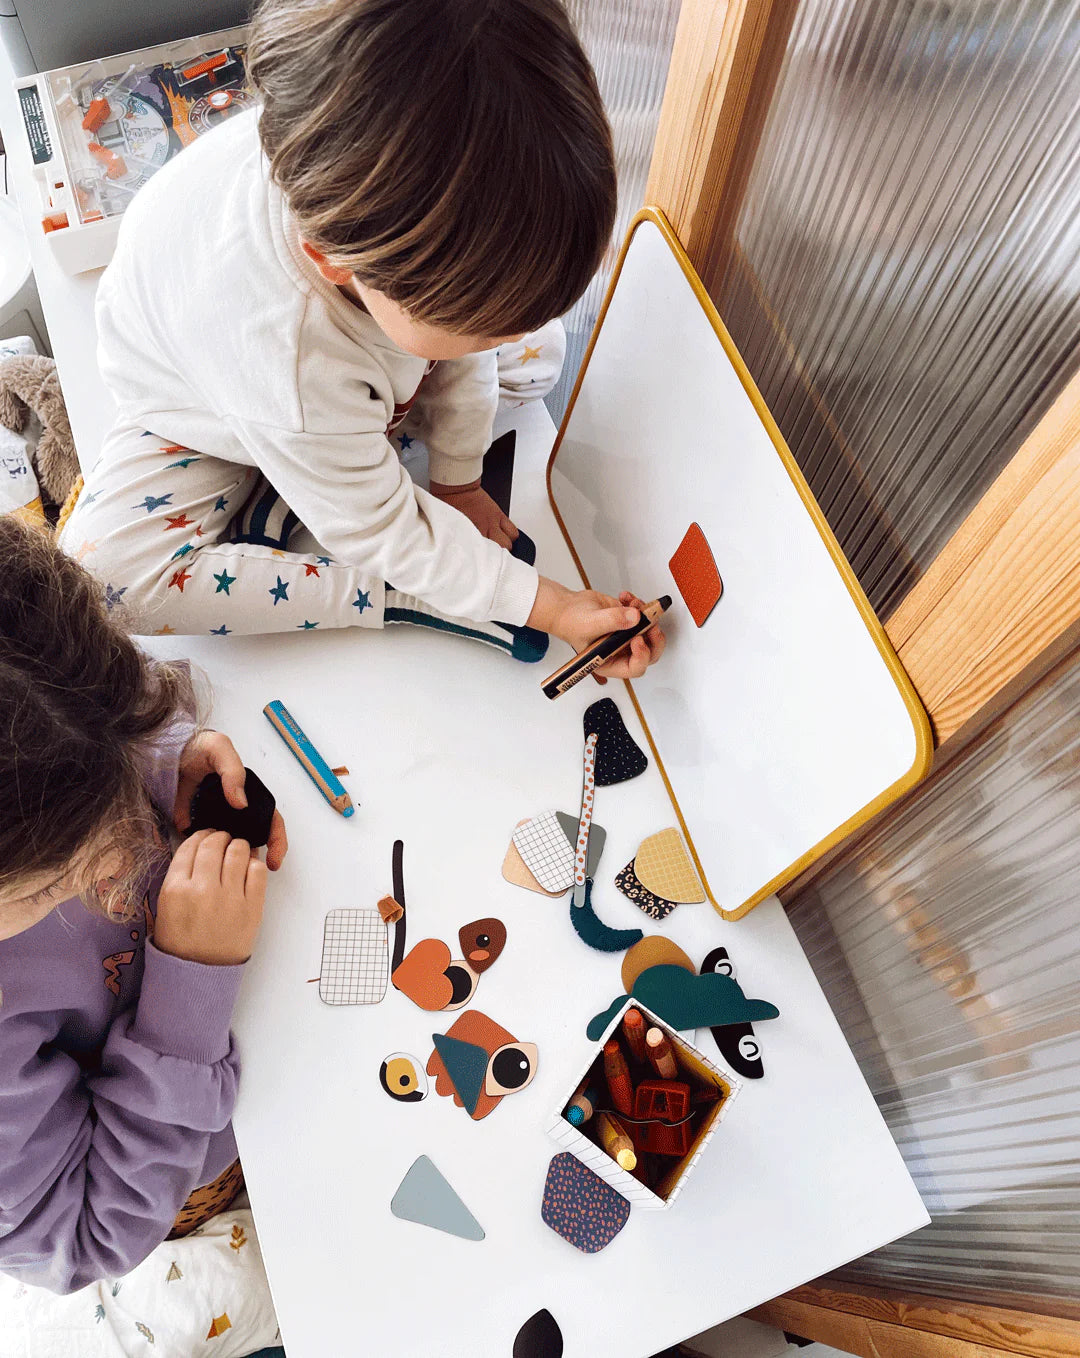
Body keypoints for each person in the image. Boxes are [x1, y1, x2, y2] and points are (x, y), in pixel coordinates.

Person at [59, 0, 665, 680]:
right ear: (331, 259)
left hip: (321, 390)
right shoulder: (288, 355)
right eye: (478, 327)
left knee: (536, 358)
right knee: (103, 580)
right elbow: (382, 527)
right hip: (202, 415)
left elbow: (461, 347)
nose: (503, 335)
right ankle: (397, 591)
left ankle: (327, 484)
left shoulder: (368, 175)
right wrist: (549, 606)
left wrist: (459, 481)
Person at [0, 517, 287, 1293]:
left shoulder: (33, 669)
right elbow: (87, 1233)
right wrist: (186, 994)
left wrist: (158, 752)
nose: (126, 853)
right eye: (55, 880)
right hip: (196, 1146)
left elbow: (101, 696)